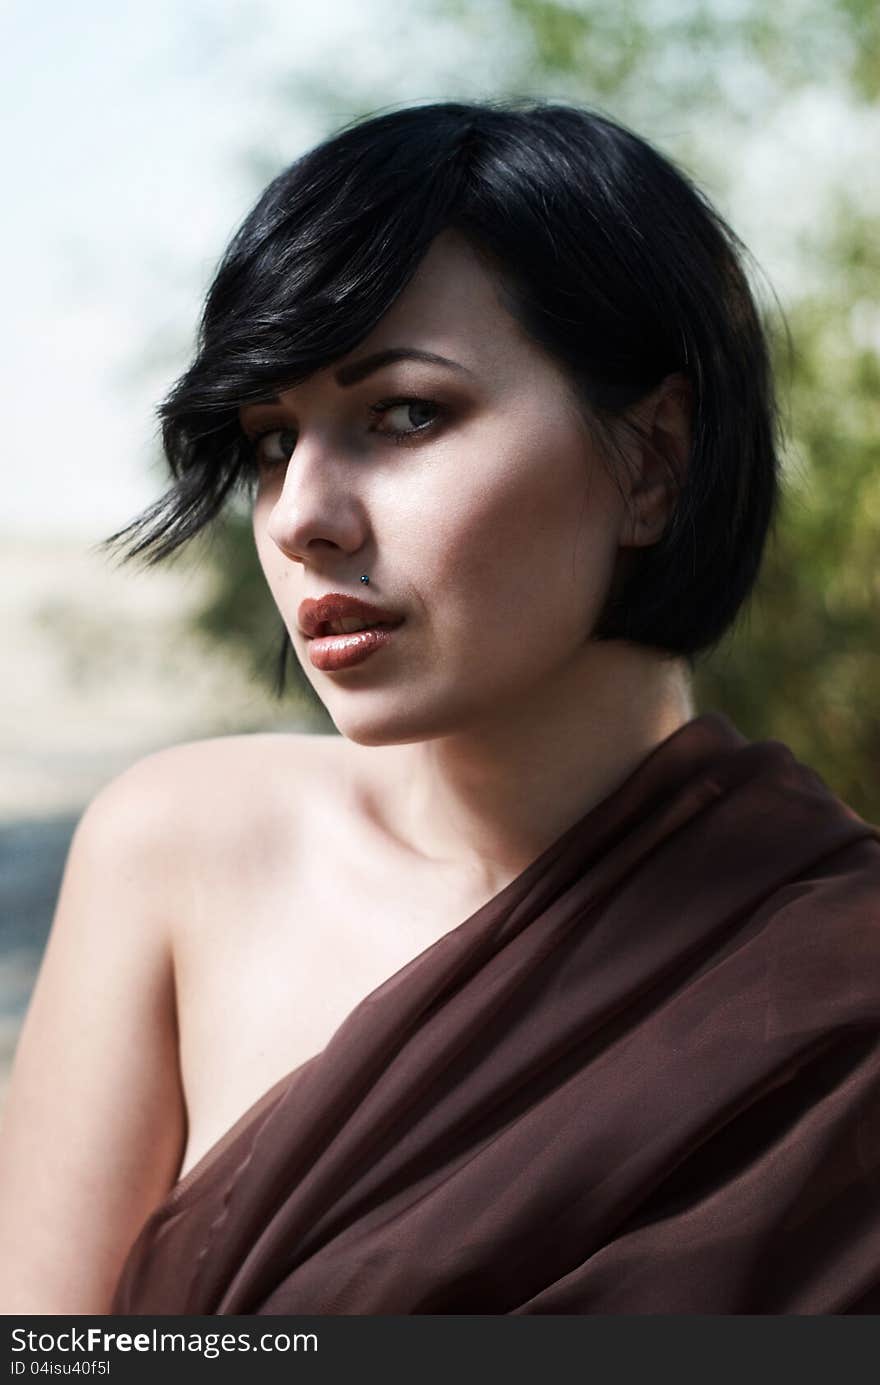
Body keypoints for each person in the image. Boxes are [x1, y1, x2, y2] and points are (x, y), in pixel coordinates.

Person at [1, 100, 878, 1315]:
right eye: (267, 442)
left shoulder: (837, 979)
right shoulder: (177, 846)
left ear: (652, 461)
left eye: (404, 413)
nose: (303, 514)